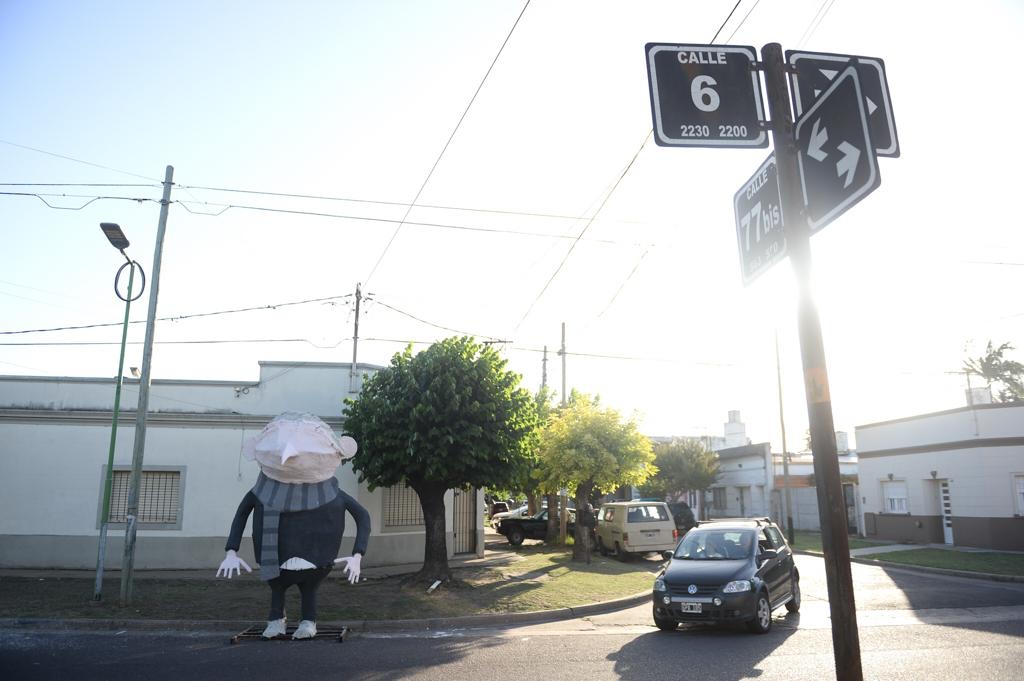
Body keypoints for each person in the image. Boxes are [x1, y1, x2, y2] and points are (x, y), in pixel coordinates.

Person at [215, 412, 371, 640]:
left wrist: (358, 554)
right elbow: (241, 515)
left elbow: (363, 517)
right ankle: (276, 619)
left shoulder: (331, 493)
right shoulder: (262, 492)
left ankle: (308, 621)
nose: (289, 453)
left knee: (309, 589)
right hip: (274, 557)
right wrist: (231, 551)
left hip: (317, 557)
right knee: (277, 587)